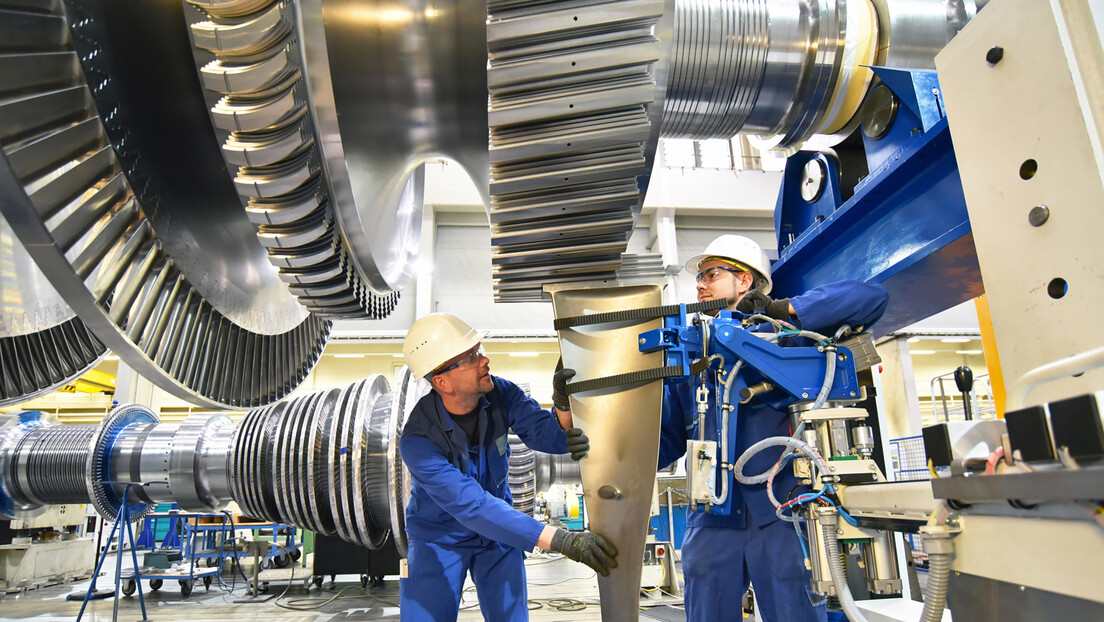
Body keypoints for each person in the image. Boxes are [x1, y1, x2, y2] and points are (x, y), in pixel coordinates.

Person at [658, 234, 889, 622]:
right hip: (712, 514)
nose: (699, 284)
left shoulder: (787, 338)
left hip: (781, 513)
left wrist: (788, 309)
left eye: (711, 274)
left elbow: (873, 297)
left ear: (745, 281)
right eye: (699, 277)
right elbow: (664, 444)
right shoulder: (692, 358)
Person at [399, 312, 618, 621]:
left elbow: (547, 435)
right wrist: (561, 540)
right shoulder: (418, 440)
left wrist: (564, 403)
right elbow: (471, 505)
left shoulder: (501, 394)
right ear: (442, 381)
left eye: (479, 349)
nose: (484, 359)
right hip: (439, 538)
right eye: (470, 357)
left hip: (498, 533)